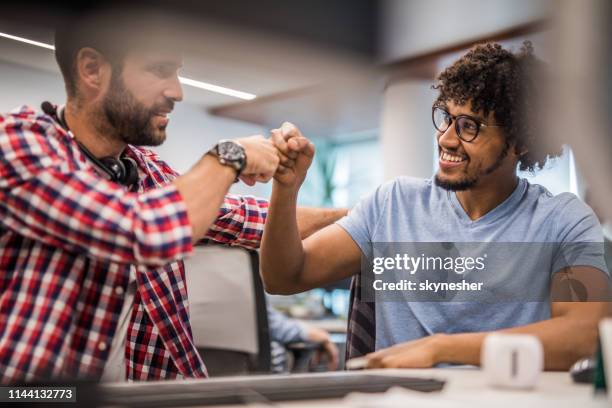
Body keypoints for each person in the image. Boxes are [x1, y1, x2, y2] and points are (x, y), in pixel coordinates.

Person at [0, 13, 345, 383]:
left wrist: (368, 214)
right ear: (92, 69)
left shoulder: (145, 169)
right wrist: (228, 155)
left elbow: (249, 221)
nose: (177, 91)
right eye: (160, 70)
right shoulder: (18, 145)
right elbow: (144, 231)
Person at [260, 42, 611, 371]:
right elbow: (284, 276)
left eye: (468, 126)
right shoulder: (393, 204)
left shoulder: (562, 220)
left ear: (520, 142)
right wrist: (286, 188)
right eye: (446, 117)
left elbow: (583, 335)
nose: (445, 138)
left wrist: (442, 348)